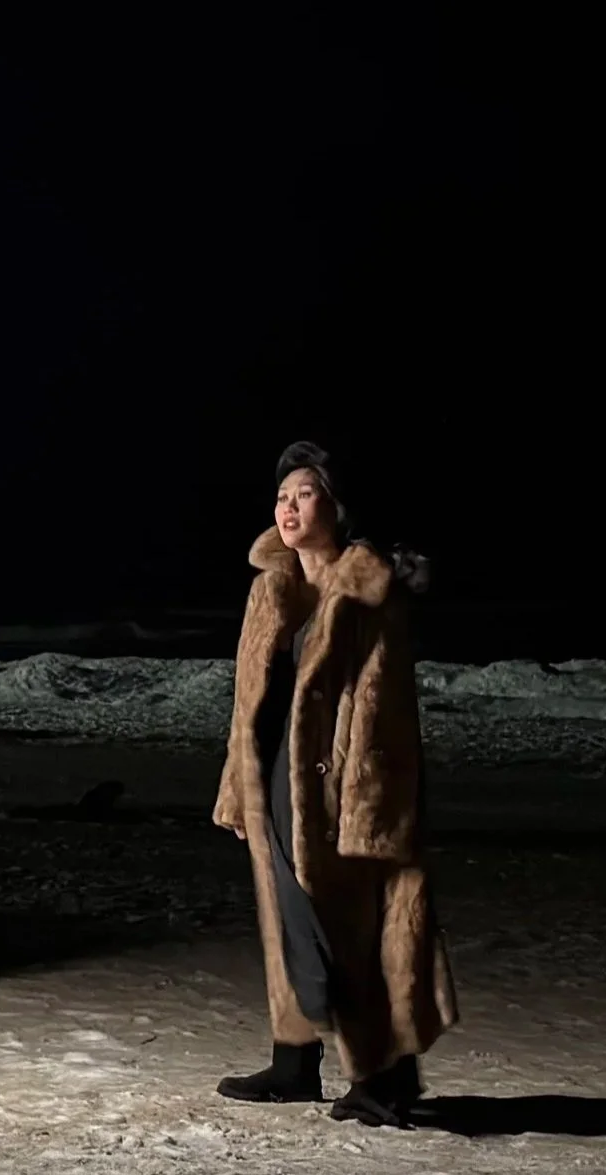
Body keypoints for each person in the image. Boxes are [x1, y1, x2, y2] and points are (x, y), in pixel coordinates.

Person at [211, 440, 457, 1128]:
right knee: (287, 914)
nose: (288, 508)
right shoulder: (272, 587)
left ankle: (387, 1074)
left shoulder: (367, 591)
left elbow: (385, 708)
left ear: (336, 505)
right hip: (275, 776)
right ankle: (293, 1062)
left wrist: (370, 802)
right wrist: (237, 784)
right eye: (282, 496)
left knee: (355, 927)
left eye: (304, 494)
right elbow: (248, 701)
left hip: (341, 784)